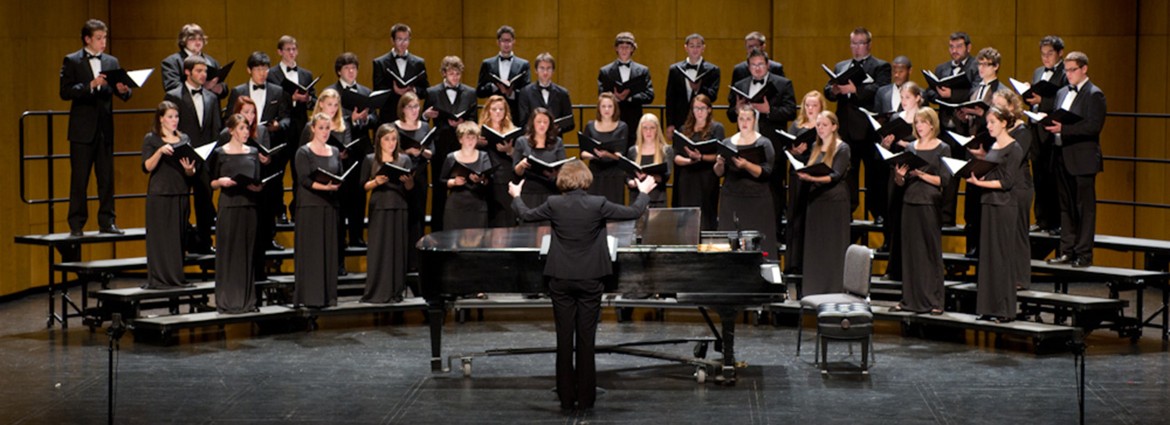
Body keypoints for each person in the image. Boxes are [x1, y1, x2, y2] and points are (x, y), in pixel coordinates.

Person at [508, 160, 657, 411]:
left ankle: (567, 399)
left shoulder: (554, 204)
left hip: (560, 279)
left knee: (564, 340)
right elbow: (632, 212)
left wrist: (516, 196)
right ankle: (586, 399)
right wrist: (643, 193)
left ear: (564, 180)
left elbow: (525, 215)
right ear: (586, 179)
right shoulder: (597, 203)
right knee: (586, 341)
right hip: (590, 279)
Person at [60, 19, 132, 236]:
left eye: (105, 38)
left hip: (104, 129)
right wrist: (90, 85)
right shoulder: (72, 60)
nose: (103, 42)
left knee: (106, 178)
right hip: (82, 130)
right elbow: (65, 92)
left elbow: (125, 95)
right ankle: (76, 224)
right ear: (87, 39)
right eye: (99, 38)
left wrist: (124, 89)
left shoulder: (111, 61)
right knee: (79, 179)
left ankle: (107, 222)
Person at [730, 48, 798, 243]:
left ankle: (774, 234)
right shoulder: (740, 85)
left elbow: (791, 111)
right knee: (746, 186)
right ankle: (746, 233)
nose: (757, 69)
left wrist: (769, 111)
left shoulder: (782, 83)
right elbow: (729, 113)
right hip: (744, 145)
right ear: (748, 67)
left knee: (774, 190)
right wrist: (736, 110)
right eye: (753, 65)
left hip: (772, 146)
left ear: (767, 65)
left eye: (761, 64)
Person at [1044, 51, 1106, 268]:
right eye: (1066, 70)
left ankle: (1083, 254)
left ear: (1084, 69)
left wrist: (1065, 128)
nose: (1068, 74)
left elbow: (1093, 126)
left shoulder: (1094, 94)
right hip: (1061, 155)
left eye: (1072, 70)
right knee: (1065, 206)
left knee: (1084, 209)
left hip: (1083, 159)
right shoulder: (1061, 93)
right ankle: (1067, 251)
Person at [967, 107, 1028, 322]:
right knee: (988, 257)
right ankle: (987, 307)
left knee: (1002, 257)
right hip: (989, 203)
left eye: (992, 122)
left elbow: (1007, 182)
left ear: (1004, 122)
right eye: (988, 122)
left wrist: (979, 183)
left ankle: (1004, 309)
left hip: (1004, 205)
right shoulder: (994, 145)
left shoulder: (1015, 148)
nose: (989, 126)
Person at [824, 27, 891, 221]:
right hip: (845, 130)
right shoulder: (841, 66)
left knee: (874, 175)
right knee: (847, 174)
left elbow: (881, 89)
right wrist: (834, 91)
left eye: (861, 43)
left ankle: (877, 212)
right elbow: (828, 89)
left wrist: (855, 90)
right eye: (854, 43)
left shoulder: (880, 66)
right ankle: (848, 211)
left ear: (869, 45)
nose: (857, 48)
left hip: (869, 130)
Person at [890, 107, 950, 314]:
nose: (919, 126)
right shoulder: (911, 148)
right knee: (910, 252)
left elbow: (944, 180)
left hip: (929, 202)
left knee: (930, 251)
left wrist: (920, 174)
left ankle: (935, 301)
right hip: (909, 201)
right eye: (917, 123)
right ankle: (909, 299)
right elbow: (900, 182)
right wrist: (900, 175)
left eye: (923, 122)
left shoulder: (943, 148)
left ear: (932, 124)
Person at [164, 55, 222, 255]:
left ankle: (205, 243)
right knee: (182, 204)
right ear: (187, 72)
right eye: (198, 71)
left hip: (204, 158)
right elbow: (170, 128)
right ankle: (180, 245)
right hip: (182, 158)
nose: (203, 75)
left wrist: (212, 157)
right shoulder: (174, 96)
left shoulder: (212, 97)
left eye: (205, 71)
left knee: (205, 203)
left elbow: (216, 129)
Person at [217, 96, 279, 278]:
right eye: (246, 112)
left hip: (257, 192)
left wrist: (266, 160)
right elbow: (220, 166)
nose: (250, 117)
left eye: (253, 112)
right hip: (235, 195)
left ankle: (256, 283)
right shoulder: (225, 135)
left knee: (256, 240)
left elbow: (268, 161)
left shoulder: (261, 132)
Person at [210, 114, 265, 314]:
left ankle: (246, 301)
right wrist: (221, 182)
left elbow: (258, 181)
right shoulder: (220, 153)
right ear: (231, 130)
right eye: (241, 128)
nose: (245, 133)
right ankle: (226, 300)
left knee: (246, 253)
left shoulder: (253, 152)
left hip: (249, 207)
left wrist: (257, 187)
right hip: (229, 206)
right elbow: (212, 182)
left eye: (248, 128)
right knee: (228, 253)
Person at [141, 101, 196, 289]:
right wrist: (160, 151)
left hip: (180, 192)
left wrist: (189, 169)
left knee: (178, 238)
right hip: (160, 194)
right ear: (161, 118)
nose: (174, 120)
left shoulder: (185, 138)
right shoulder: (152, 139)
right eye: (170, 117)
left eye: (176, 116)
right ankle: (159, 279)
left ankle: (176, 277)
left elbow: (191, 171)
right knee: (161, 239)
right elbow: (147, 167)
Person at [797, 111, 852, 296]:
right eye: (818, 125)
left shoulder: (842, 148)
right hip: (816, 200)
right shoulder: (815, 146)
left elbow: (835, 175)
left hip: (834, 201)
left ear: (834, 127)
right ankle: (815, 288)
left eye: (824, 125)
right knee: (816, 246)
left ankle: (833, 289)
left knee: (832, 245)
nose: (820, 128)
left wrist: (811, 177)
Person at [715, 104, 777, 258]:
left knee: (760, 242)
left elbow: (767, 172)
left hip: (757, 200)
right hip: (732, 198)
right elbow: (719, 173)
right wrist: (719, 163)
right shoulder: (728, 142)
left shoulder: (764, 143)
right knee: (730, 240)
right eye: (741, 118)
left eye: (748, 119)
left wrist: (746, 165)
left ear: (754, 120)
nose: (744, 122)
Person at [361, 124, 414, 303]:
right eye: (387, 139)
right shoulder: (370, 159)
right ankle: (378, 290)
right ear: (379, 141)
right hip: (379, 207)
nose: (391, 143)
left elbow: (410, 188)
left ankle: (395, 290)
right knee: (379, 248)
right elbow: (363, 185)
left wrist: (407, 182)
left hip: (399, 206)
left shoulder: (404, 159)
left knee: (397, 249)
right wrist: (376, 182)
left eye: (393, 139)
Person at [330, 52, 379, 248]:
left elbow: (375, 118)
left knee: (359, 194)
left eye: (354, 68)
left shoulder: (366, 92)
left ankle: (357, 235)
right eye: (347, 68)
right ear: (339, 71)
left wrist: (366, 119)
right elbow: (327, 120)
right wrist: (352, 119)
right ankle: (340, 241)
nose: (351, 71)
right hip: (339, 151)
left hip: (360, 150)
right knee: (341, 198)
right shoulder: (331, 93)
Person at [424, 56, 478, 232]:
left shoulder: (470, 93)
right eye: (451, 73)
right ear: (444, 73)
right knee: (440, 188)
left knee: (463, 184)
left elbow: (473, 119)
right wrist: (426, 116)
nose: (455, 77)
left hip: (463, 147)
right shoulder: (432, 92)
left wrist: (463, 123)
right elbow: (425, 119)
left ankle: (464, 228)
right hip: (440, 145)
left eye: (458, 73)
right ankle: (437, 230)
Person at [294, 113, 343, 308]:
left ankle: (328, 297)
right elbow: (304, 180)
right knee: (312, 253)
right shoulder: (303, 152)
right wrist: (325, 187)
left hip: (329, 207)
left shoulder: (335, 151)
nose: (324, 132)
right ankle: (309, 297)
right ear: (313, 128)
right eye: (321, 128)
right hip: (310, 207)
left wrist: (335, 186)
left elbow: (339, 173)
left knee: (328, 252)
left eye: (327, 128)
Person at [878, 81, 925, 279]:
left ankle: (911, 269)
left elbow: (927, 145)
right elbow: (886, 149)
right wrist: (887, 144)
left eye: (907, 98)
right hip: (896, 172)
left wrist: (906, 143)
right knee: (894, 216)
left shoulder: (923, 119)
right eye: (902, 98)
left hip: (915, 173)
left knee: (911, 220)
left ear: (917, 98)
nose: (904, 101)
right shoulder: (897, 118)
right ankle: (894, 268)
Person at [268, 35, 316, 223]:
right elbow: (270, 100)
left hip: (300, 128)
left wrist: (308, 99)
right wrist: (291, 99)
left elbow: (314, 100)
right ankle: (279, 211)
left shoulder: (306, 74)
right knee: (277, 172)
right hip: (279, 128)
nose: (292, 52)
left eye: (294, 49)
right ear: (280, 52)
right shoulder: (272, 74)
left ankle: (297, 209)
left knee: (300, 172)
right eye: (288, 49)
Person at [1028, 36, 1069, 234]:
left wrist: (1042, 100)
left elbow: (1063, 98)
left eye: (1050, 54)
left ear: (1060, 53)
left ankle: (1055, 222)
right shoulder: (1037, 72)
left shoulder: (1064, 73)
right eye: (1043, 54)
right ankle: (1041, 220)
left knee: (1052, 178)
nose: (1045, 58)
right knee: (1038, 177)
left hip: (1052, 131)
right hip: (1035, 130)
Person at [784, 91, 827, 274]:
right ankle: (793, 262)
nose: (810, 109)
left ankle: (810, 260)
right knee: (795, 216)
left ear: (821, 107)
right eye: (807, 105)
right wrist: (794, 151)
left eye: (814, 105)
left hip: (815, 176)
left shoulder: (824, 126)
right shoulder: (796, 125)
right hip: (797, 174)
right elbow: (788, 147)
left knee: (811, 217)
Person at [671, 94, 724, 230]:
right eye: (696, 108)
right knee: (687, 214)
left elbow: (719, 155)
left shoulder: (717, 128)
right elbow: (676, 157)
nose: (699, 112)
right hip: (687, 177)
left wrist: (701, 157)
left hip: (707, 177)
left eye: (702, 108)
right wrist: (690, 160)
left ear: (709, 110)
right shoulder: (684, 129)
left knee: (706, 213)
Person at [393, 92, 433, 270]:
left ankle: (415, 263)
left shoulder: (424, 126)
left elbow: (432, 152)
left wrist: (422, 151)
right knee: (402, 216)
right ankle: (399, 259)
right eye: (410, 107)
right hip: (400, 175)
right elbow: (387, 152)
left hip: (420, 175)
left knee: (417, 217)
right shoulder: (393, 127)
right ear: (402, 109)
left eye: (417, 106)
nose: (414, 110)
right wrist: (407, 152)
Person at [597, 32, 654, 144]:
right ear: (616, 49)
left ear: (633, 49)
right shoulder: (605, 71)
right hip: (612, 120)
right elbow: (601, 95)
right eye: (621, 47)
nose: (624, 50)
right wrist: (615, 98)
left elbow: (650, 95)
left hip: (634, 120)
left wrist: (629, 98)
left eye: (627, 47)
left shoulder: (642, 71)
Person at [923, 32, 980, 133]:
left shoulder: (977, 67)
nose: (954, 51)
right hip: (943, 125)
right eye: (951, 47)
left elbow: (976, 91)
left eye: (959, 47)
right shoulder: (941, 68)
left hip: (967, 125)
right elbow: (930, 92)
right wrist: (941, 95)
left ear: (968, 47)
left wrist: (951, 94)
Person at [373, 23, 429, 125]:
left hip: (412, 117)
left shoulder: (419, 63)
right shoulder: (380, 63)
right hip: (389, 115)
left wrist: (414, 90)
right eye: (399, 39)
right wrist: (394, 91)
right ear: (392, 40)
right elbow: (377, 91)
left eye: (406, 39)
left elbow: (426, 90)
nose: (403, 43)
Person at [512, 108, 567, 211]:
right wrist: (521, 164)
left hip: (551, 190)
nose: (542, 125)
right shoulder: (522, 141)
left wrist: (556, 173)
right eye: (539, 121)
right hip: (529, 191)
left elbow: (563, 166)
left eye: (545, 122)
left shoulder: (557, 142)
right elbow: (516, 171)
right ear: (533, 123)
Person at [440, 122, 492, 229]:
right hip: (456, 206)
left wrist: (480, 180)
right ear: (460, 140)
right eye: (467, 137)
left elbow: (489, 181)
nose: (471, 141)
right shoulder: (451, 157)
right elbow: (442, 181)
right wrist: (454, 182)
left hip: (477, 205)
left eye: (474, 138)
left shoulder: (483, 156)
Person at [664, 33, 720, 134]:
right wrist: (670, 123)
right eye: (692, 46)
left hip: (703, 120)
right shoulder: (675, 69)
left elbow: (713, 96)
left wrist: (699, 89)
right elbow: (670, 98)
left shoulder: (713, 70)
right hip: (680, 120)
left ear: (703, 48)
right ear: (686, 48)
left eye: (698, 46)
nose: (695, 49)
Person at [476, 25, 530, 127]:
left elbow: (526, 92)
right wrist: (494, 87)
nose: (506, 44)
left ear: (514, 41)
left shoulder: (524, 65)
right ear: (498, 42)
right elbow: (479, 91)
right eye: (503, 40)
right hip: (492, 116)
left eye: (509, 40)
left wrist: (511, 93)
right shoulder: (487, 64)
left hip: (515, 115)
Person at [479, 95, 520, 227]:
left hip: (506, 175)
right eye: (494, 109)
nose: (497, 112)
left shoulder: (512, 131)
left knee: (507, 214)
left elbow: (519, 157)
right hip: (487, 176)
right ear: (488, 111)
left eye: (501, 109)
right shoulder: (479, 131)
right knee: (491, 215)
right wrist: (477, 143)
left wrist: (509, 150)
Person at [580, 93, 629, 205]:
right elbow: (583, 153)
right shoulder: (590, 126)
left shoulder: (622, 127)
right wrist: (594, 155)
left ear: (615, 108)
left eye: (610, 106)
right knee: (595, 208)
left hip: (614, 174)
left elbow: (620, 154)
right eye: (603, 106)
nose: (607, 109)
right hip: (595, 172)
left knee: (614, 207)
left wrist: (607, 154)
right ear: (599, 108)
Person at [160, 23, 225, 99]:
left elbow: (224, 88)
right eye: (192, 39)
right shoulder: (171, 62)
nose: (198, 43)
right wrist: (203, 87)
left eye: (200, 39)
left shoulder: (211, 61)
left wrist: (219, 89)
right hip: (185, 107)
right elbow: (172, 87)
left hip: (210, 107)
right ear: (183, 41)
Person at [516, 53, 574, 135]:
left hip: (555, 141)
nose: (545, 72)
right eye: (542, 68)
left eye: (548, 68)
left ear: (553, 71)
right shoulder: (525, 92)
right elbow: (523, 122)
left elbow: (570, 123)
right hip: (533, 142)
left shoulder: (562, 93)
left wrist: (555, 130)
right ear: (536, 70)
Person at [625, 114, 673, 207]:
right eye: (645, 128)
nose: (648, 131)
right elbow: (627, 177)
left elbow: (666, 176)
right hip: (637, 200)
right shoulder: (633, 151)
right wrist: (633, 183)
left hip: (657, 199)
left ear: (657, 130)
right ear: (640, 130)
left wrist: (646, 176)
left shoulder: (666, 150)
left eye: (652, 128)